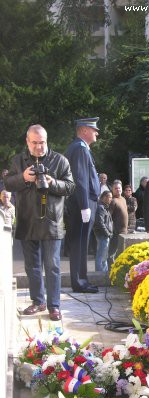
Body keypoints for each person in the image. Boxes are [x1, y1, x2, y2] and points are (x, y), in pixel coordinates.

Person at [5, 124, 74, 321]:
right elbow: (8, 183)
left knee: (52, 266)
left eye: (42, 142)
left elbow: (70, 186)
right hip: (27, 220)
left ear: (47, 140)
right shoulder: (18, 161)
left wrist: (52, 183)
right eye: (34, 143)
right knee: (32, 266)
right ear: (27, 142)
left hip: (51, 221)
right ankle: (38, 301)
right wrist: (24, 177)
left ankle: (54, 306)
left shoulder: (60, 160)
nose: (38, 147)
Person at [65, 117, 101, 293]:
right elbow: (80, 179)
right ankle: (79, 282)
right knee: (79, 243)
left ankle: (82, 280)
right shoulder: (80, 149)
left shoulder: (82, 148)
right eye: (94, 129)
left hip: (84, 204)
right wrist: (85, 205)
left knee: (82, 243)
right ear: (84, 130)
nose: (97, 133)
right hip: (82, 205)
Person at [108, 180, 128, 266]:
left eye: (119, 188)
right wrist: (112, 230)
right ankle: (109, 271)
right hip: (116, 232)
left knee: (121, 253)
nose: (118, 190)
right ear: (112, 190)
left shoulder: (123, 199)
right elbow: (109, 217)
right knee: (112, 253)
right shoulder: (113, 201)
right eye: (115, 188)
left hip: (124, 231)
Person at [93, 190, 113, 272]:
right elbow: (100, 222)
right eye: (109, 197)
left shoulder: (105, 207)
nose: (110, 199)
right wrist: (107, 233)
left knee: (104, 256)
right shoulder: (100, 207)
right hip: (102, 235)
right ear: (103, 197)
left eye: (111, 197)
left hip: (105, 235)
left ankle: (104, 273)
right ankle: (99, 274)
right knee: (101, 256)